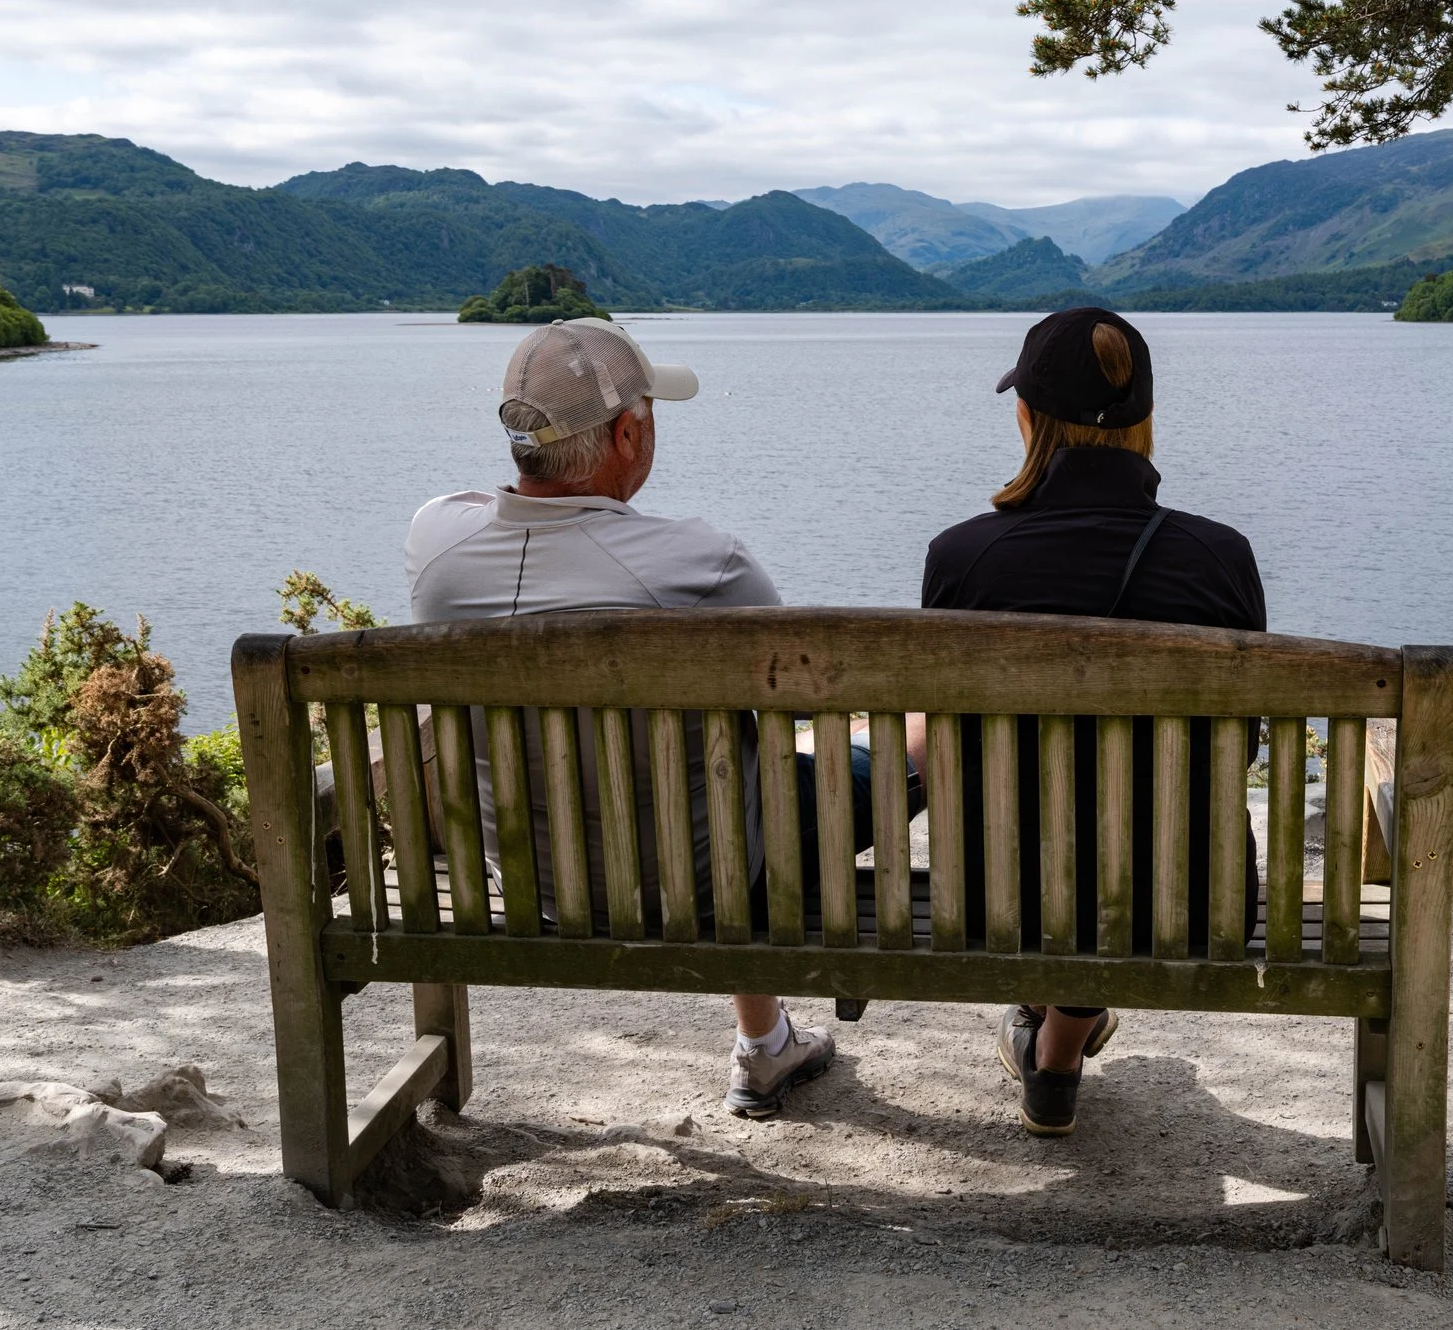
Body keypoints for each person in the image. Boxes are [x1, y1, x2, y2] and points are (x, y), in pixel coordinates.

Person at [399, 317, 903, 1119]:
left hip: (532, 882)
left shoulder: (436, 550)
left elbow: (471, 505)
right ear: (628, 431)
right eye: (649, 415)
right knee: (871, 751)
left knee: (712, 773)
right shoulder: (705, 563)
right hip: (697, 883)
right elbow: (802, 694)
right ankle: (766, 1040)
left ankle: (767, 1040)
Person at [922, 307, 1266, 1138]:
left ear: (1028, 416)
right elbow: (1244, 746)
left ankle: (1055, 1032)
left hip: (993, 898)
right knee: (1127, 856)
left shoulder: (962, 557)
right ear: (1143, 421)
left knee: (1050, 866)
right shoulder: (1221, 558)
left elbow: (946, 747)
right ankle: (1059, 1048)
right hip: (1189, 902)